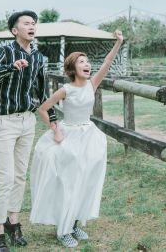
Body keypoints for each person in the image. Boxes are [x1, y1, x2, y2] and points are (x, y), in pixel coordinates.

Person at [30, 29, 124, 248]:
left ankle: (73, 223)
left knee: (84, 181)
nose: (87, 64)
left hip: (88, 136)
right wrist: (56, 131)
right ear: (73, 68)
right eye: (82, 61)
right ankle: (63, 230)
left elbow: (108, 62)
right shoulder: (66, 89)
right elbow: (43, 109)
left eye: (88, 61)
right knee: (69, 183)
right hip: (69, 136)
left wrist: (118, 42)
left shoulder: (92, 84)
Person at [0, 10, 58, 252]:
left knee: (19, 176)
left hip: (27, 121)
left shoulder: (38, 56)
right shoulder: (3, 52)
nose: (32, 26)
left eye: (34, 23)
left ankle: (13, 223)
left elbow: (42, 90)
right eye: (26, 23)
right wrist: (11, 68)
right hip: (4, 121)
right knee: (4, 177)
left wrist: (53, 120)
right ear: (15, 30)